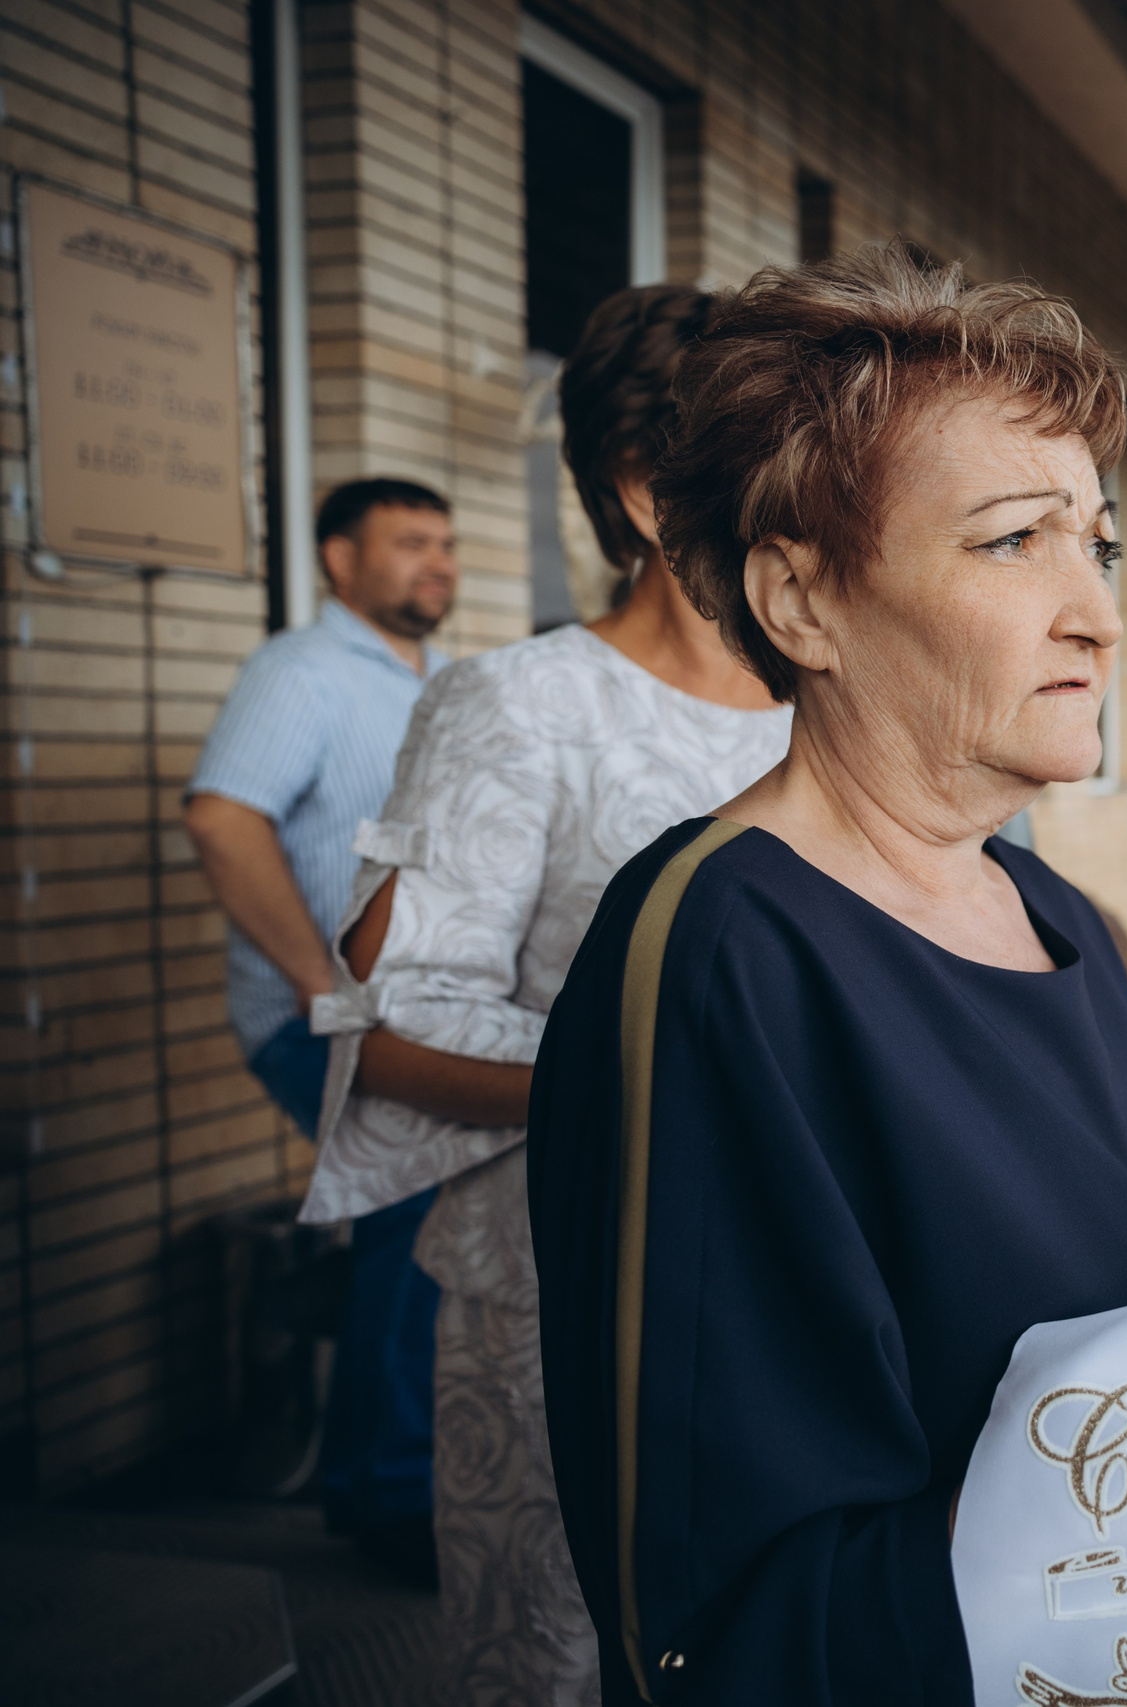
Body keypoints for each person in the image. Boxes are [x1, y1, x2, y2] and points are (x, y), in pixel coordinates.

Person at [524, 244, 1127, 1705]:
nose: (1097, 612)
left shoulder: (1054, 909)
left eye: (1097, 543)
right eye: (1011, 542)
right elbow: (729, 1615)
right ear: (799, 600)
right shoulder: (719, 954)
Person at [298, 285, 790, 1704]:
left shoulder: (836, 703)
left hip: (790, 1292)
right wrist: (655, 1070)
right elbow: (390, 1021)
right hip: (578, 1291)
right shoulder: (523, 705)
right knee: (568, 1661)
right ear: (645, 490)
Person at [185, 476, 455, 1582]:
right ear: (339, 559)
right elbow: (222, 814)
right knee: (420, 1198)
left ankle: (408, 1477)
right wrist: (321, 990)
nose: (437, 563)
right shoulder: (300, 671)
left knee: (438, 1214)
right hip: (321, 1023)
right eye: (408, 543)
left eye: (445, 543)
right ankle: (387, 1499)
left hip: (417, 1019)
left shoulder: (442, 681)